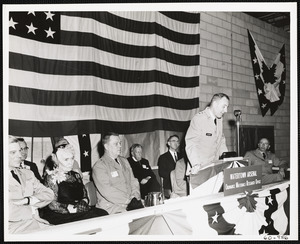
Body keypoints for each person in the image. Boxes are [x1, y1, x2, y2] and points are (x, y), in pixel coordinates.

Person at [41, 143, 108, 225]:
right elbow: (52, 204)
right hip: (60, 215)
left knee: (102, 214)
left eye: (72, 158)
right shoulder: (51, 178)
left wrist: (84, 202)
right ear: (57, 160)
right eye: (66, 159)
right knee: (94, 217)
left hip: (78, 211)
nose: (70, 162)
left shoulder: (76, 175)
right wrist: (72, 209)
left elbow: (84, 195)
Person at [8, 136, 54, 234]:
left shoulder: (28, 173)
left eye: (19, 151)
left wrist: (28, 200)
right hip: (11, 230)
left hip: (35, 223)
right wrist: (33, 210)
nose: (20, 155)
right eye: (13, 152)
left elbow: (49, 194)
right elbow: (7, 212)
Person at [92, 133, 142, 214]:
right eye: (116, 144)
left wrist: (135, 196)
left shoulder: (124, 161)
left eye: (120, 143)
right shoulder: (99, 166)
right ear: (106, 146)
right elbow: (107, 191)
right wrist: (128, 200)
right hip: (112, 208)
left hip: (130, 204)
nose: (120, 146)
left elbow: (133, 181)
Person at [185, 93, 229, 172]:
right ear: (215, 104)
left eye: (227, 107)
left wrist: (227, 158)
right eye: (224, 106)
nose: (226, 110)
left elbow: (221, 140)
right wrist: (196, 164)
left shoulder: (219, 120)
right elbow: (191, 143)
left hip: (213, 168)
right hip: (199, 169)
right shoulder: (199, 119)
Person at [158, 135, 182, 199]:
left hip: (181, 184)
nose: (176, 143)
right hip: (169, 184)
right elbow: (162, 173)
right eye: (173, 141)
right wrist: (174, 175)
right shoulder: (163, 157)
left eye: (177, 141)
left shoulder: (182, 156)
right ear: (169, 143)